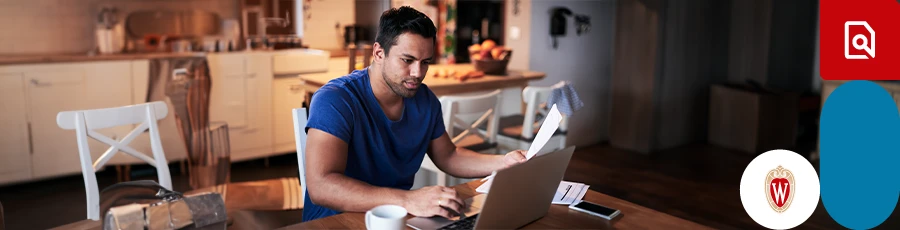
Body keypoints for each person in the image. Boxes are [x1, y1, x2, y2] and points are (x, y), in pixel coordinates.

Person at [302, 6, 527, 222]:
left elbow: (449, 155)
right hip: (336, 222)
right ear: (379, 53)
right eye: (407, 60)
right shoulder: (336, 99)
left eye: (425, 62)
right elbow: (322, 186)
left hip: (397, 218)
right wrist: (408, 200)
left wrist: (504, 162)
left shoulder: (424, 99)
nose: (417, 73)